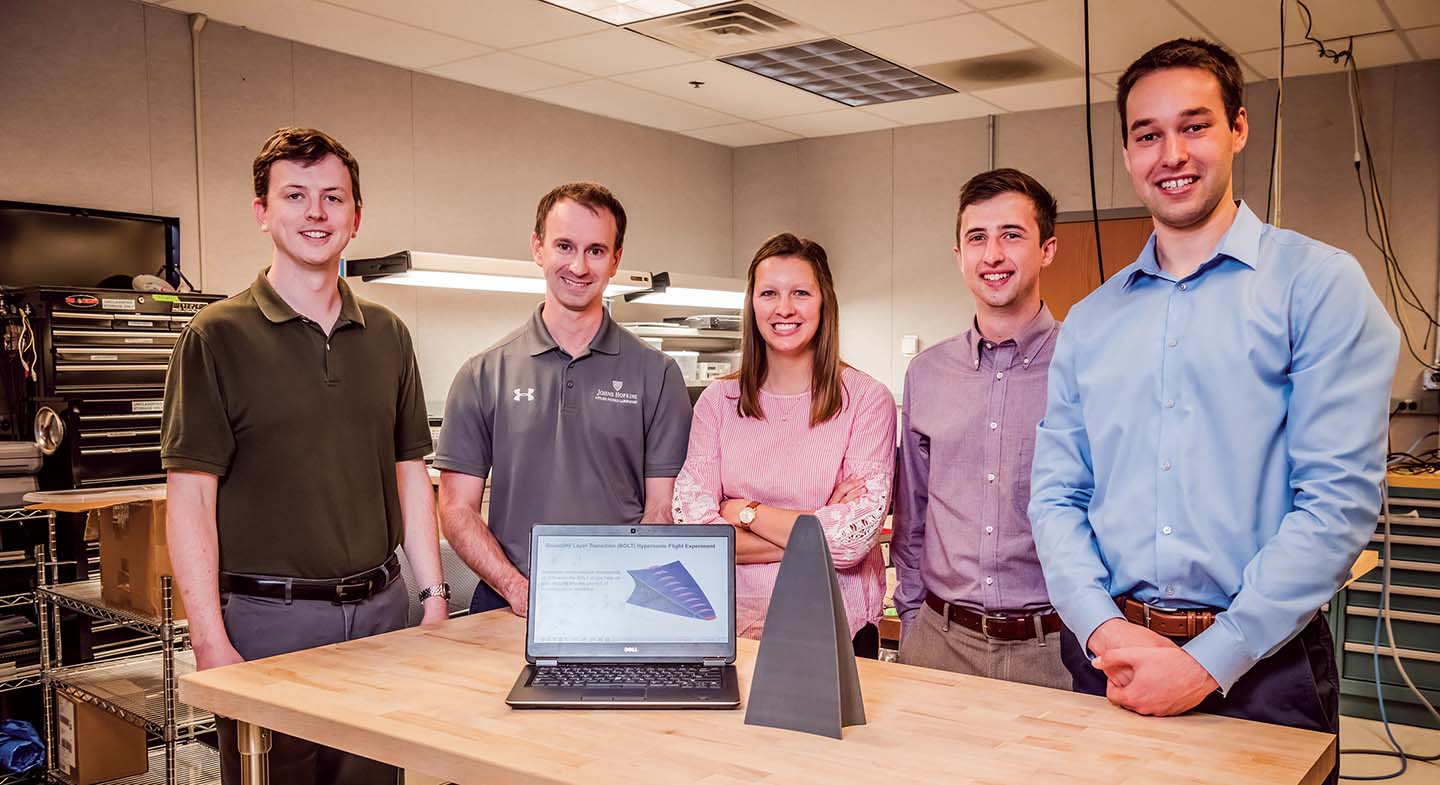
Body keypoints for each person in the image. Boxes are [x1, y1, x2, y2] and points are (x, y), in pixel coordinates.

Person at [1028, 37, 1399, 774]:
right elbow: (1056, 494)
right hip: (1111, 661)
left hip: (1264, 668)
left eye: (1194, 125)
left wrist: (1206, 661)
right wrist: (1102, 627)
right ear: (1129, 152)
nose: (1171, 153)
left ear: (1237, 128)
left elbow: (1335, 504)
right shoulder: (1093, 321)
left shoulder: (1318, 287)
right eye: (1147, 134)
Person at [162, 127, 448, 785]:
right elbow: (190, 499)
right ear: (262, 210)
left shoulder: (389, 336)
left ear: (355, 216)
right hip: (269, 624)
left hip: (382, 614)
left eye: (332, 197)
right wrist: (209, 638)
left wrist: (432, 594)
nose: (315, 213)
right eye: (295, 195)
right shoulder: (214, 338)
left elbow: (410, 473)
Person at [437, 182, 692, 614]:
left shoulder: (658, 375)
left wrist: (617, 597)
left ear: (616, 258)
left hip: (624, 605)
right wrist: (518, 589)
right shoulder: (483, 373)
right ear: (538, 249)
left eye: (595, 250)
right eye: (564, 246)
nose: (578, 265)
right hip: (507, 603)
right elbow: (456, 508)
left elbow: (661, 511)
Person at [672, 233, 894, 657]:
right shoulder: (719, 402)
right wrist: (816, 522)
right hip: (730, 631)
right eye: (769, 293)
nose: (784, 308)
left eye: (801, 293)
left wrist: (743, 513)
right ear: (752, 303)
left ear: (824, 301)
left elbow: (851, 542)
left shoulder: (867, 400)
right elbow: (699, 543)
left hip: (834, 632)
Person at [892, 168, 1068, 689]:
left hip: (1059, 650)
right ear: (959, 256)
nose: (992, 254)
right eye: (977, 238)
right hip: (940, 644)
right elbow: (913, 511)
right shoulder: (927, 373)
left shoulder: (1088, 365)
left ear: (1047, 249)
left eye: (1011, 235)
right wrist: (910, 617)